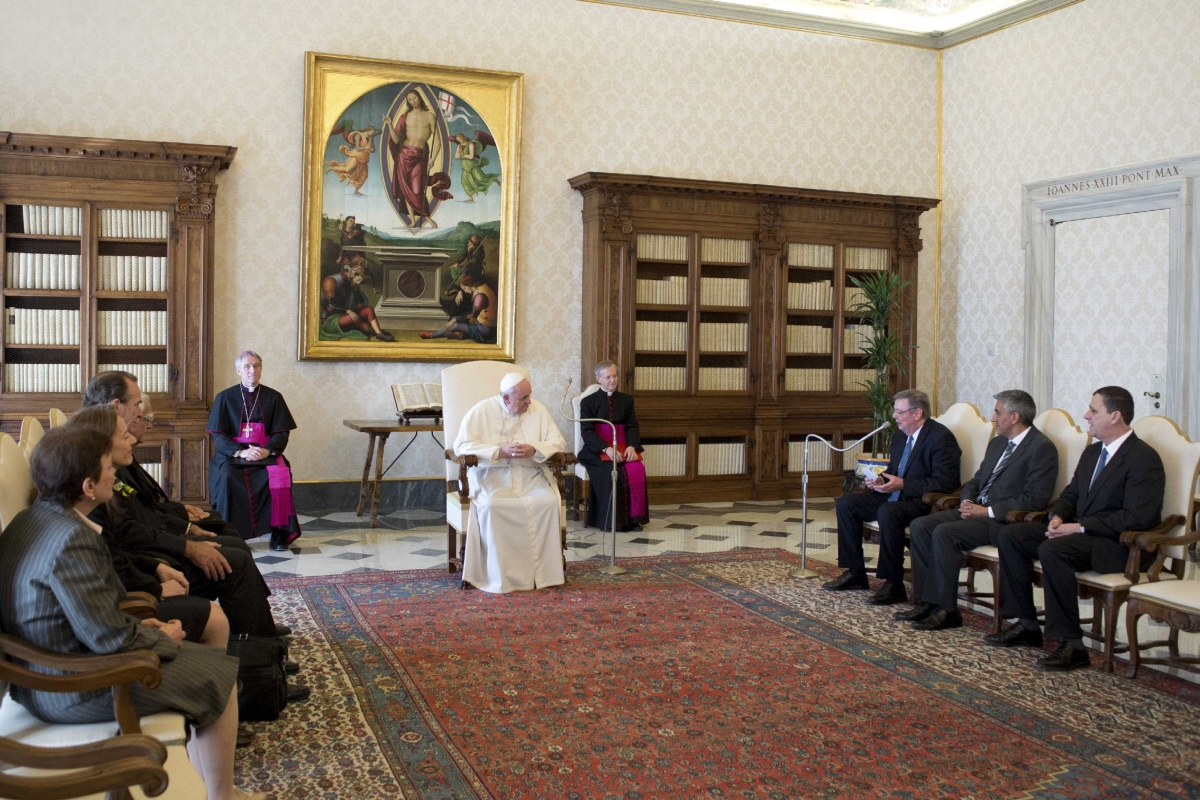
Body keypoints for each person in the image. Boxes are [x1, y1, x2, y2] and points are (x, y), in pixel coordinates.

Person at [0, 426, 265, 800]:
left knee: (212, 665)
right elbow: (107, 637)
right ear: (89, 487)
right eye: (108, 467)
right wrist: (162, 638)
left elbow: (90, 613)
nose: (115, 474)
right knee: (220, 678)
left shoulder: (35, 519)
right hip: (71, 686)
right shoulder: (72, 539)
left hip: (53, 668)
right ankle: (222, 796)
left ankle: (215, 788)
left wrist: (142, 624)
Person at [987, 386, 1164, 671]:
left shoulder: (1143, 458)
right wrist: (1058, 517)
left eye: (1093, 410)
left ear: (1115, 416)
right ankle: (1027, 624)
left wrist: (1079, 527)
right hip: (1081, 534)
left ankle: (1073, 645)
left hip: (1119, 544)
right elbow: (1071, 494)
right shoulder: (1093, 452)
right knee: (1011, 535)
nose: (1086, 415)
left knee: (1053, 549)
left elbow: (1135, 518)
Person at [65, 404, 229, 650]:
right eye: (109, 469)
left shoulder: (74, 511)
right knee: (215, 619)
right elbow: (94, 622)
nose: (115, 478)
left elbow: (113, 555)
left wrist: (154, 568)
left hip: (122, 609)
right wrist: (155, 616)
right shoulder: (71, 534)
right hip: (100, 654)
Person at [899, 390, 1058, 630]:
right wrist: (966, 502)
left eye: (997, 412)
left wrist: (987, 511)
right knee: (921, 526)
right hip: (975, 511)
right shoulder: (998, 443)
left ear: (1014, 416)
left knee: (945, 533)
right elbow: (976, 481)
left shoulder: (1041, 448)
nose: (993, 418)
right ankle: (927, 601)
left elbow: (1034, 499)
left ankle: (947, 610)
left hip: (1004, 521)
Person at [823, 389, 962, 605]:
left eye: (899, 412)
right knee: (846, 503)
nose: (894, 416)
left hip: (922, 501)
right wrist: (880, 480)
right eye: (895, 411)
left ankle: (894, 584)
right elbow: (895, 470)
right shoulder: (900, 436)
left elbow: (946, 482)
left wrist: (904, 484)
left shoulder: (941, 438)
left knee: (888, 512)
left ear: (917, 413)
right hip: (894, 494)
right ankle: (856, 573)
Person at [453, 372, 568, 593]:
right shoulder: (481, 411)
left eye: (529, 395)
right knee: (493, 505)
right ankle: (499, 576)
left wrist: (535, 449)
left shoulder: (538, 410)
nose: (529, 402)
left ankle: (542, 576)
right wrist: (498, 451)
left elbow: (558, 441)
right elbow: (461, 446)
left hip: (530, 475)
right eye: (523, 398)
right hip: (491, 477)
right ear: (506, 398)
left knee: (546, 502)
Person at [207, 350, 302, 551]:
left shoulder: (273, 397)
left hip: (265, 454)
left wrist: (266, 450)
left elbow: (282, 433)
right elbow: (218, 435)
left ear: (261, 368)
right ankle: (230, 534)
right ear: (239, 371)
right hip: (233, 455)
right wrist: (240, 452)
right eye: (247, 366)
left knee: (280, 474)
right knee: (226, 476)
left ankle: (279, 533)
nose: (252, 370)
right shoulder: (224, 397)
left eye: (256, 366)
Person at [578, 361, 649, 532]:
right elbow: (587, 431)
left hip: (622, 446)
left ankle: (633, 520)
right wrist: (605, 448)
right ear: (598, 379)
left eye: (615, 376)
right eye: (608, 377)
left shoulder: (626, 400)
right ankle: (611, 521)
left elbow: (632, 426)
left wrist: (632, 446)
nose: (613, 380)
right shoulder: (587, 402)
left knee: (636, 468)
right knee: (611, 470)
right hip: (596, 450)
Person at [385, 89, 449, 228]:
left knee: (417, 189)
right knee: (406, 190)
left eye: (414, 98)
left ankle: (427, 218)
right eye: (410, 100)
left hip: (419, 157)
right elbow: (396, 140)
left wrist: (432, 159)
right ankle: (413, 221)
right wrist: (389, 124)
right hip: (403, 156)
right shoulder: (405, 116)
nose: (413, 101)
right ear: (408, 102)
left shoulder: (430, 116)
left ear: (419, 97)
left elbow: (437, 141)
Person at [419, 259, 497, 342]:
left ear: (469, 284)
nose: (464, 291)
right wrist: (457, 318)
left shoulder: (480, 296)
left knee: (455, 325)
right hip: (480, 323)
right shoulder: (481, 288)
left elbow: (472, 320)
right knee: (454, 318)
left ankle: (432, 335)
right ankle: (460, 334)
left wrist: (455, 321)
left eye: (464, 288)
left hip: (485, 330)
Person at [320, 258, 395, 342]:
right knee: (354, 318)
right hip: (330, 319)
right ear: (351, 272)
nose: (359, 278)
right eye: (357, 275)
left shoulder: (351, 282)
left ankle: (378, 333)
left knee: (368, 310)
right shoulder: (331, 281)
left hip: (345, 314)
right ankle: (375, 332)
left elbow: (360, 305)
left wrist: (355, 289)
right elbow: (329, 306)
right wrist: (348, 311)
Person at [324, 126, 377, 195]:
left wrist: (372, 149)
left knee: (364, 175)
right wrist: (365, 147)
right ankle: (332, 167)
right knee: (347, 169)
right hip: (357, 155)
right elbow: (357, 148)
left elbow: (373, 149)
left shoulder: (370, 138)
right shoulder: (359, 135)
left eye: (372, 132)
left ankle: (356, 191)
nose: (371, 133)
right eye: (371, 132)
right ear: (368, 130)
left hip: (364, 159)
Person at [453, 132, 501, 201]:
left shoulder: (471, 144)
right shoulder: (459, 146)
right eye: (458, 140)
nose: (459, 141)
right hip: (465, 166)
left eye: (460, 139)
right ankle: (471, 198)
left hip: (472, 165)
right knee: (464, 182)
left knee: (481, 178)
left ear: (463, 137)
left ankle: (494, 179)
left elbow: (471, 157)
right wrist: (460, 154)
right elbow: (456, 156)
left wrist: (463, 155)